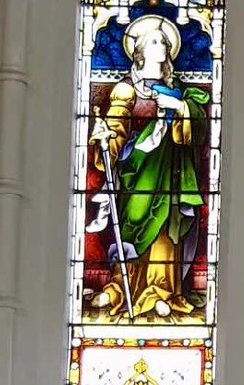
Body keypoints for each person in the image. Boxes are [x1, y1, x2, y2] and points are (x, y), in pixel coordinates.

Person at [86, 14, 208, 320]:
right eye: (154, 40)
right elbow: (115, 127)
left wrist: (179, 108)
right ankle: (118, 288)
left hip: (171, 174)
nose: (162, 44)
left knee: (165, 232)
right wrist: (104, 139)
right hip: (135, 174)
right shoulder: (127, 90)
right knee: (129, 230)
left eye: (164, 41)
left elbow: (199, 125)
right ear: (139, 50)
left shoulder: (178, 89)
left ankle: (162, 292)